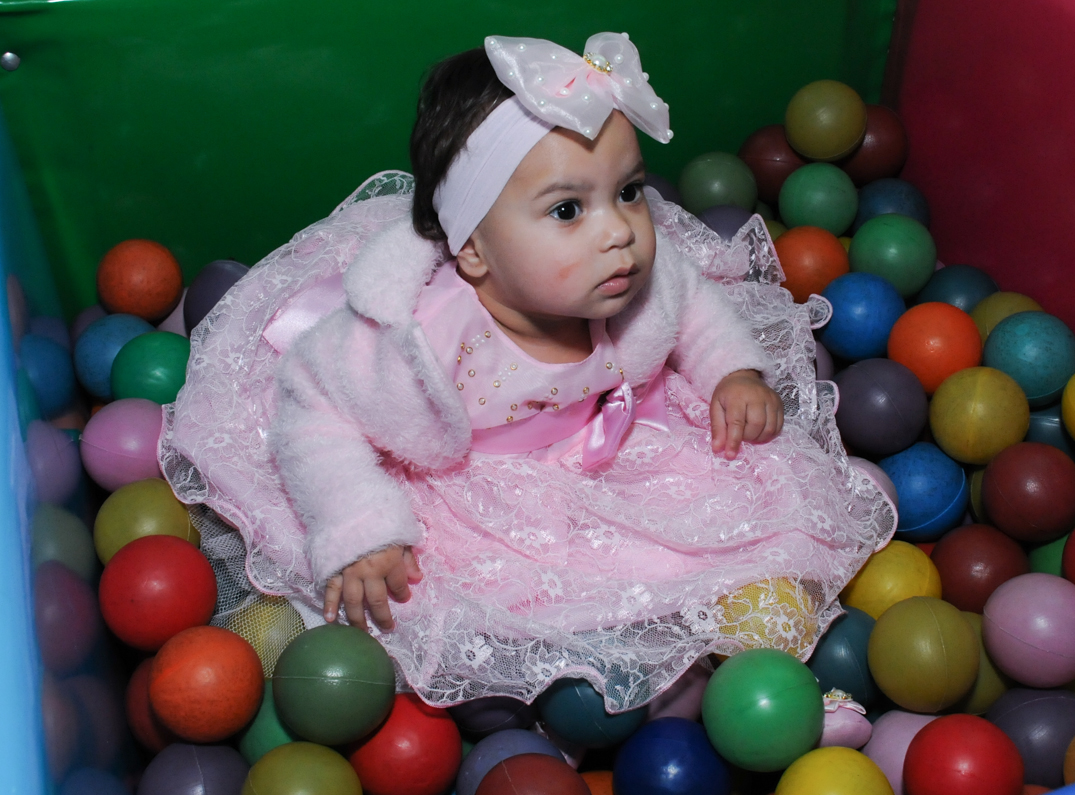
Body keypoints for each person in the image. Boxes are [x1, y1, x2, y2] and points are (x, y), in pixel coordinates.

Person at [160, 32, 895, 712]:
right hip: (463, 483)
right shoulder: (418, 342)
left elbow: (691, 301)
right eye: (569, 208)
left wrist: (733, 371)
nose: (620, 233)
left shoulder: (633, 280)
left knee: (750, 525)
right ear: (474, 250)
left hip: (617, 452)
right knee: (397, 606)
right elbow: (314, 408)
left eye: (630, 191)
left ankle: (778, 691)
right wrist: (360, 525)